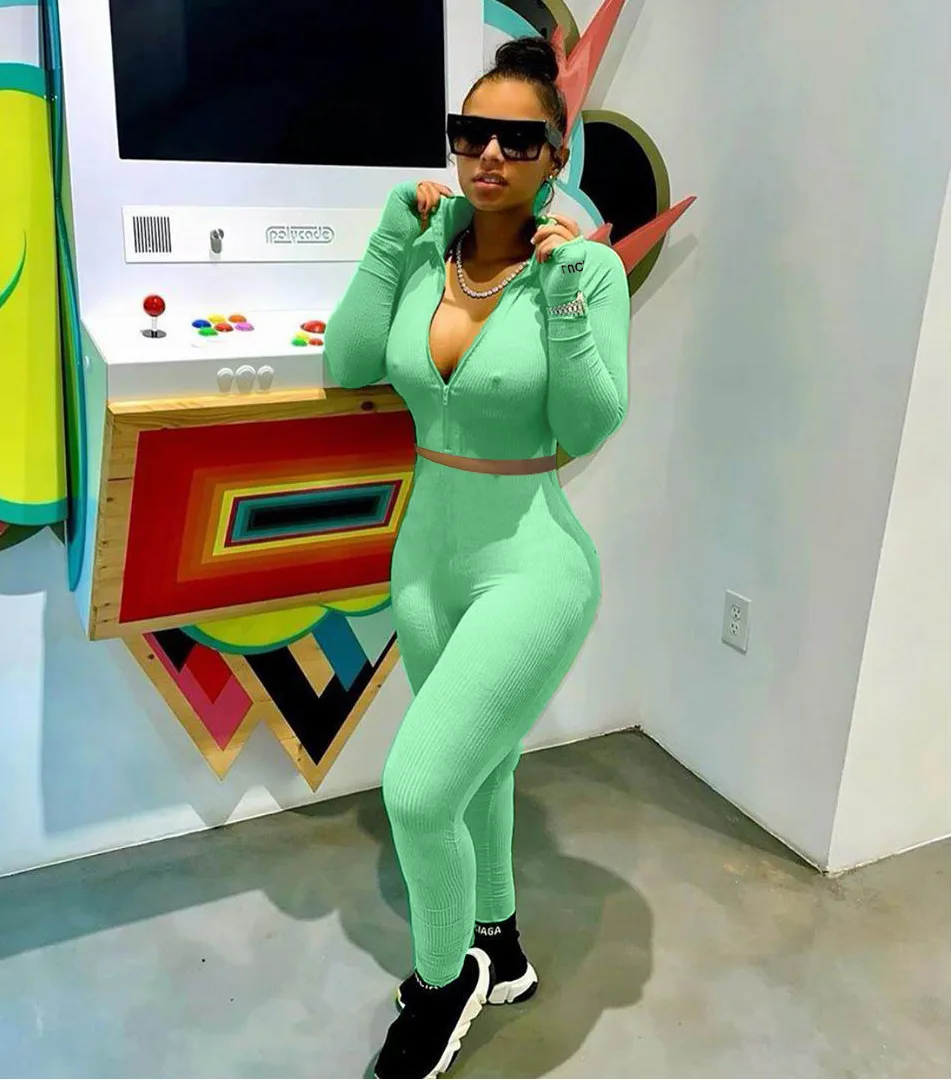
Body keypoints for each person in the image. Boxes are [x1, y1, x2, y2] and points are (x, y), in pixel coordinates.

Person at [324, 34, 631, 1080]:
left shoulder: (582, 269)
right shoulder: (425, 252)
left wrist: (569, 299)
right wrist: (385, 240)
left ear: (556, 154)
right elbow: (348, 361)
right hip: (424, 558)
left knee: (418, 792)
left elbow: (589, 423)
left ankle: (441, 981)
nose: (489, 153)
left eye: (518, 138)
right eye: (470, 132)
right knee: (484, 764)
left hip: (531, 563)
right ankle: (497, 945)